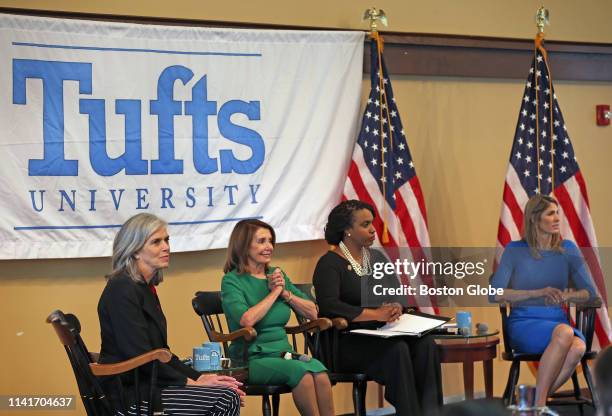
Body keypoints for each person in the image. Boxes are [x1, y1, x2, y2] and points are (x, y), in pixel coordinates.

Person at [98, 213, 244, 415]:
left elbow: (161, 352)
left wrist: (199, 377)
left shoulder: (143, 287)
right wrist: (190, 382)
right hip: (129, 395)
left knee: (225, 394)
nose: (166, 247)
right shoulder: (122, 289)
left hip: (148, 386)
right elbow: (141, 356)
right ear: (135, 250)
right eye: (156, 242)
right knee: (225, 399)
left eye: (166, 240)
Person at [312, 200, 442, 416]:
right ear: (347, 231)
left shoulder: (377, 258)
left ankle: (432, 413)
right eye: (365, 224)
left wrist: (395, 308)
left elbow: (398, 295)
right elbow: (329, 305)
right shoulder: (329, 264)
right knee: (398, 349)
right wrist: (374, 314)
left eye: (372, 223)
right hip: (347, 341)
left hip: (386, 333)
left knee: (426, 344)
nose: (373, 229)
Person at [490, 194, 596, 410]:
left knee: (578, 348)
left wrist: (566, 296)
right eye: (550, 213)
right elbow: (494, 293)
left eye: (558, 213)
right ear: (534, 219)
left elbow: (590, 294)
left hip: (557, 324)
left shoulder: (568, 249)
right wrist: (536, 292)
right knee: (566, 333)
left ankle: (534, 403)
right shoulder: (515, 250)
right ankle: (538, 406)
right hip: (524, 323)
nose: (557, 218)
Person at [221, 219, 334, 416]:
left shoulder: (276, 274)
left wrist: (286, 294)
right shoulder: (232, 280)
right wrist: (274, 293)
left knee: (320, 372)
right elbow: (247, 320)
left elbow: (313, 312)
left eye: (271, 241)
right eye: (262, 241)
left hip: (284, 353)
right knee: (304, 375)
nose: (269, 247)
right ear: (244, 245)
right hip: (250, 358)